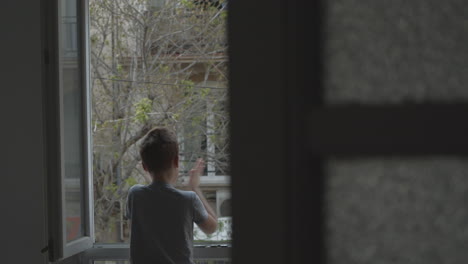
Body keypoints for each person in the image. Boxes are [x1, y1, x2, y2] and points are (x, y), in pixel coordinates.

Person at [126, 127, 218, 264]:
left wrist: (152, 180)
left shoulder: (135, 194)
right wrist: (195, 188)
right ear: (176, 161)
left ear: (145, 167)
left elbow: (157, 198)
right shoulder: (188, 199)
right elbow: (212, 228)